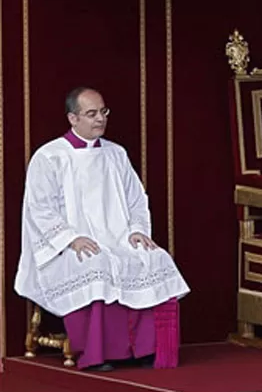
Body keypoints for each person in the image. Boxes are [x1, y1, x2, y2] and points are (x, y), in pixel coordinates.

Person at [14, 87, 189, 372]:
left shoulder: (115, 154)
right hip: (67, 244)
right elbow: (40, 208)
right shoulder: (49, 157)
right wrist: (71, 238)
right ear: (73, 118)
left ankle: (146, 349)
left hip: (117, 237)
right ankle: (98, 353)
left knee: (155, 258)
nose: (100, 119)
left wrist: (136, 230)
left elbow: (136, 198)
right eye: (91, 113)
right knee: (96, 263)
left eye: (103, 112)